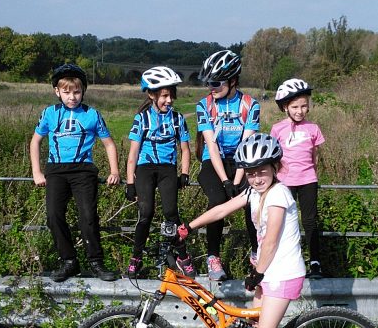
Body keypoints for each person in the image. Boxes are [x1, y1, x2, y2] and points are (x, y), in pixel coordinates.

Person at [177, 133, 304, 328]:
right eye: (250, 172)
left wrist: (257, 274)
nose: (256, 177)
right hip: (268, 271)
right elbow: (221, 210)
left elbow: (272, 240)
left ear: (275, 167)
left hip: (282, 273)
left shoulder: (279, 195)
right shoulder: (254, 193)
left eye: (262, 170)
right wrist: (188, 227)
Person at [29, 62, 120, 282]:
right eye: (67, 92)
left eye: (77, 92)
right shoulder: (49, 113)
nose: (72, 97)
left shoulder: (92, 114)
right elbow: (35, 142)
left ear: (83, 92)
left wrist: (114, 170)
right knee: (53, 215)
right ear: (57, 92)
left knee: (88, 217)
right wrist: (36, 172)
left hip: (83, 170)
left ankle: (96, 262)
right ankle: (69, 261)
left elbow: (108, 143)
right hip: (56, 170)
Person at [195, 48, 260, 281]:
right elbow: (210, 144)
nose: (211, 88)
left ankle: (256, 253)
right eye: (208, 83)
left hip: (241, 160)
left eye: (216, 82)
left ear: (233, 80)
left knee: (253, 202)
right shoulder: (204, 105)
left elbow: (246, 142)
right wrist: (225, 180)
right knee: (218, 200)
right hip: (213, 161)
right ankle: (212, 257)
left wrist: (237, 179)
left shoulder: (250, 104)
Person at [125, 66, 195, 278]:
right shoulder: (142, 118)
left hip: (167, 168)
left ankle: (182, 255)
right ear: (151, 95)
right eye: (164, 95)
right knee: (146, 213)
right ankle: (136, 258)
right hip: (145, 168)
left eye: (171, 95)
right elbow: (133, 153)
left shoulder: (177, 119)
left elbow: (185, 148)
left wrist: (184, 173)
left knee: (171, 214)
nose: (169, 100)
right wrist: (130, 182)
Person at [270, 78, 325, 278]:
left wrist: (312, 174)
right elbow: (274, 157)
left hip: (308, 180)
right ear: (285, 107)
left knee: (310, 221)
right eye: (295, 107)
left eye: (303, 106)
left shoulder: (313, 128)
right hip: (285, 181)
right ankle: (287, 261)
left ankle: (316, 262)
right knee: (285, 221)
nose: (299, 111)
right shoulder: (277, 129)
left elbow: (315, 156)